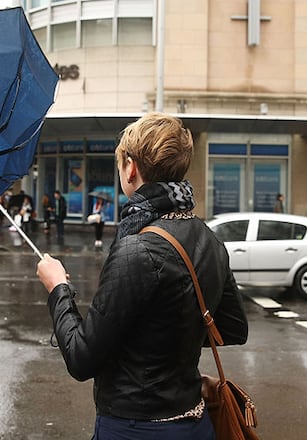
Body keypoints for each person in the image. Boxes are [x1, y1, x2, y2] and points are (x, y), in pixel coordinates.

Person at [36, 112, 249, 439]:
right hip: (195, 424)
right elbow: (232, 327)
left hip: (134, 428)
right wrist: (168, 350)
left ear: (130, 167)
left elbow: (81, 358)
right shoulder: (209, 239)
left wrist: (58, 288)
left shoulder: (136, 249)